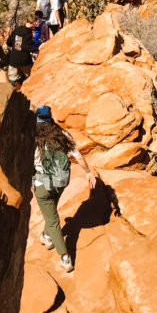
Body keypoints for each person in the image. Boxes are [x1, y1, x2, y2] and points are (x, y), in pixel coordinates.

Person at [33, 105, 98, 273]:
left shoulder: (33, 139)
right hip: (61, 181)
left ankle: (65, 258)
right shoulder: (62, 135)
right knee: (51, 210)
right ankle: (47, 236)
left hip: (42, 186)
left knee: (53, 220)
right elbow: (77, 155)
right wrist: (88, 172)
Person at [6, 18, 35, 89]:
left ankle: (14, 95)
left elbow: (8, 42)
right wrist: (35, 49)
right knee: (30, 77)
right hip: (24, 61)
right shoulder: (28, 32)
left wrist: (16, 46)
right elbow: (25, 46)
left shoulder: (17, 29)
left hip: (13, 59)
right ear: (33, 23)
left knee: (12, 80)